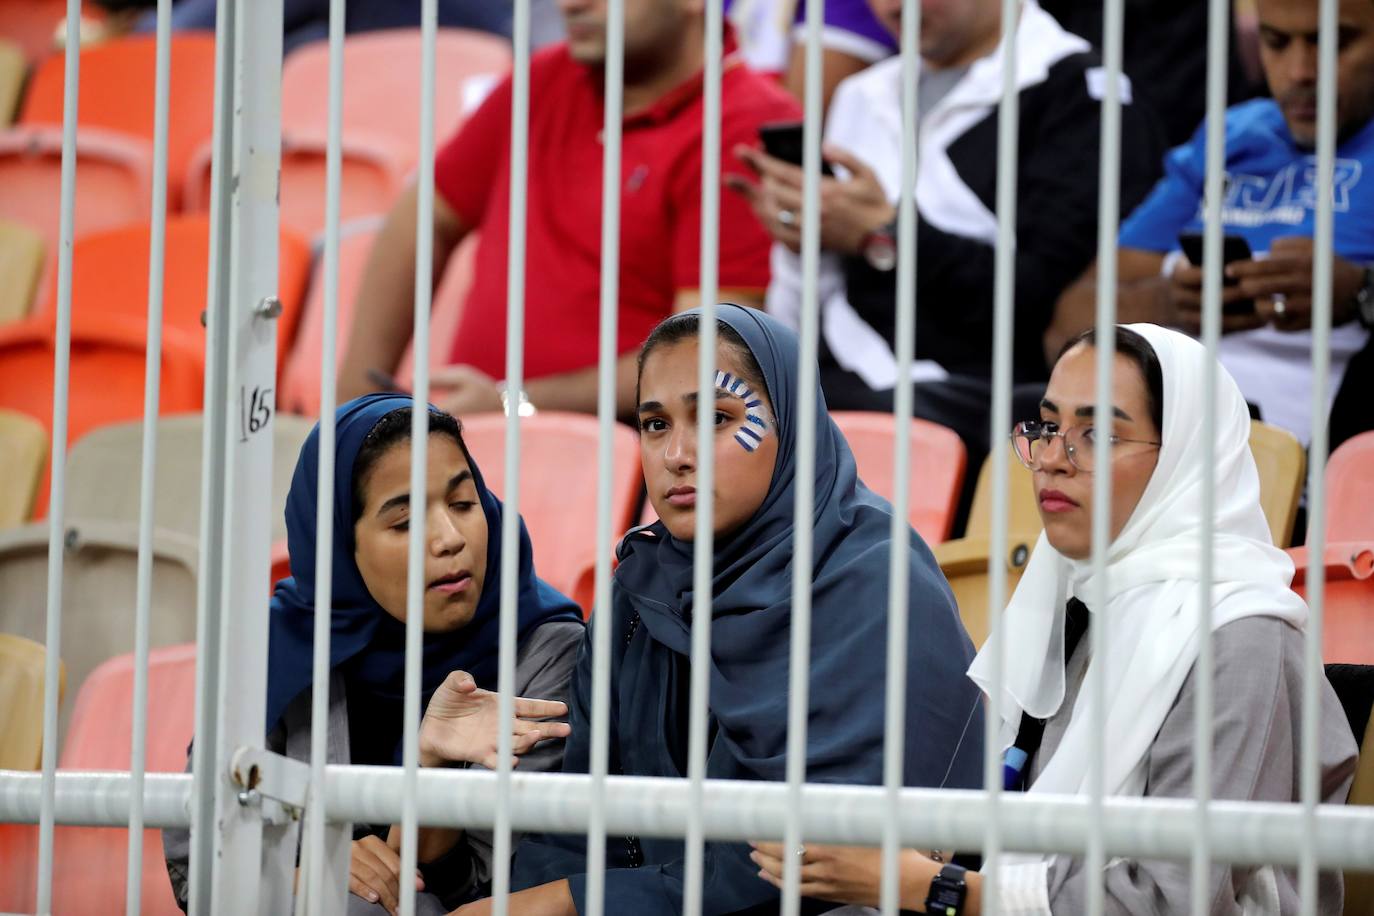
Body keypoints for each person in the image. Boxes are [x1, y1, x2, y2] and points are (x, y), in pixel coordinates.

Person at [751, 324, 1358, 914]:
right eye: (1048, 426)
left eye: (1098, 434)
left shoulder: (1241, 637)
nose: (1051, 459)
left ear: (1185, 460)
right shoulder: (1074, 594)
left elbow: (1175, 899)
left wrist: (929, 886)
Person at [446, 304, 984, 915]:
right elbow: (578, 819)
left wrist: (577, 901)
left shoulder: (875, 583)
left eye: (718, 419)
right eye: (654, 424)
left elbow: (823, 859)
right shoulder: (640, 588)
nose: (677, 453)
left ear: (792, 426)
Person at [162, 395, 586, 915]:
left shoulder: (546, 646)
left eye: (462, 504)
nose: (450, 540)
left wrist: (429, 769)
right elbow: (195, 861)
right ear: (342, 545)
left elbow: (498, 888)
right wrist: (306, 874)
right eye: (405, 522)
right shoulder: (279, 645)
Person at [729, 0, 1164, 460]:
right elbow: (808, 299)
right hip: (841, 385)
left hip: (993, 408)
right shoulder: (862, 94)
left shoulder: (1085, 95)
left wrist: (885, 234)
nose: (897, 7)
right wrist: (801, 240)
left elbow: (1052, 310)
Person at [337, 0, 802, 421]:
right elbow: (424, 216)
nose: (571, 5)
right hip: (470, 446)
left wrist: (511, 402)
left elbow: (701, 356)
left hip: (620, 466)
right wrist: (353, 406)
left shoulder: (746, 125)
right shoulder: (542, 79)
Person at [1050, 0, 1374, 450]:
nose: (1300, 72)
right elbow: (1068, 322)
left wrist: (1362, 293)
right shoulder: (1229, 136)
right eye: (1275, 42)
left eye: (1332, 43)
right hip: (1165, 430)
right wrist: (1169, 304)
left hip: (1327, 445)